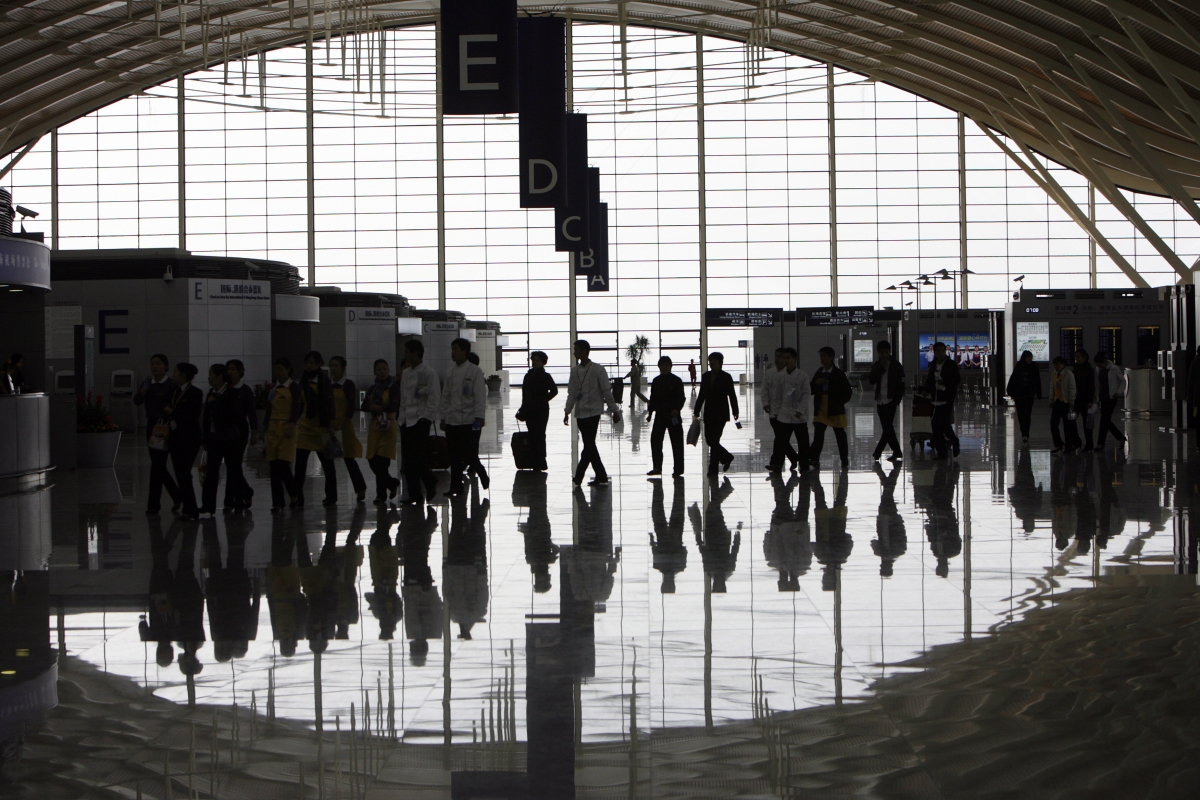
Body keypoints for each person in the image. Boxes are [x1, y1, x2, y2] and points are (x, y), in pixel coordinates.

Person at [563, 339, 621, 487]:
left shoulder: (598, 370)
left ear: (584, 351)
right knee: (590, 445)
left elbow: (606, 391)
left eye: (576, 349)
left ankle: (579, 476)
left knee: (589, 445)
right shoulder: (574, 371)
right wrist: (567, 410)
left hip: (594, 412)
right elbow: (572, 393)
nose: (574, 352)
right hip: (581, 413)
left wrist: (614, 410)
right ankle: (601, 476)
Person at [440, 338, 488, 496]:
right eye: (452, 349)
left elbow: (480, 396)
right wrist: (443, 417)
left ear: (464, 352)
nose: (452, 352)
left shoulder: (475, 371)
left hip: (470, 420)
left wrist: (480, 417)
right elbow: (445, 396)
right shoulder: (450, 372)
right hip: (452, 420)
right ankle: (456, 486)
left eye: (455, 349)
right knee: (453, 455)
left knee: (469, 453)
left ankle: (481, 472)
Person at [134, 353, 181, 514]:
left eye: (158, 364)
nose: (154, 366)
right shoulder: (148, 383)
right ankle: (176, 496)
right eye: (152, 363)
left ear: (166, 366)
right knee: (158, 465)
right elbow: (137, 400)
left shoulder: (171, 384)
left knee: (157, 466)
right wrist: (144, 389)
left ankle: (154, 504)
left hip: (164, 427)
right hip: (151, 426)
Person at [291, 351, 337, 508]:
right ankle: (297, 498)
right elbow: (299, 404)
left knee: (328, 466)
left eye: (312, 362)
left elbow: (330, 404)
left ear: (318, 364)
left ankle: (331, 496)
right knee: (300, 466)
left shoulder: (324, 382)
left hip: (321, 428)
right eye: (307, 362)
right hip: (305, 427)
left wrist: (331, 425)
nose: (309, 365)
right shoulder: (303, 381)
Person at [199, 363, 245, 516]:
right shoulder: (211, 393)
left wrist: (215, 404)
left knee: (234, 471)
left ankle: (237, 501)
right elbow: (206, 418)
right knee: (211, 471)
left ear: (219, 377)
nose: (209, 377)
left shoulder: (231, 394)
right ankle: (208, 505)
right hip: (214, 438)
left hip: (230, 439)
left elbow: (230, 417)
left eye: (211, 374)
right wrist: (204, 438)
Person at [399, 342, 441, 505]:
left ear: (416, 354)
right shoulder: (406, 374)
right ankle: (414, 494)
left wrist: (427, 418)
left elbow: (434, 397)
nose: (405, 355)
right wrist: (401, 418)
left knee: (419, 457)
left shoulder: (429, 373)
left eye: (407, 352)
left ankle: (430, 481)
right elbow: (404, 398)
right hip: (406, 420)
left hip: (421, 420)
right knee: (408, 460)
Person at [163, 362, 204, 519]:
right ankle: (188, 506)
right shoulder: (173, 391)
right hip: (175, 437)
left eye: (175, 372)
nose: (173, 375)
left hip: (189, 438)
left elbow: (192, 415)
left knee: (184, 472)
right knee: (180, 473)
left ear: (183, 375)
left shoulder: (195, 393)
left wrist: (173, 412)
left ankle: (191, 508)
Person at [263, 358, 303, 511]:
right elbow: (268, 410)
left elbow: (297, 408)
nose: (278, 372)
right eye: (276, 369)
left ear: (288, 370)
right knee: (273, 467)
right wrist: (263, 430)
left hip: (287, 429)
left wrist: (292, 425)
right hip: (273, 430)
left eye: (281, 369)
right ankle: (277, 503)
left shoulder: (294, 387)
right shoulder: (273, 390)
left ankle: (293, 494)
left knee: (283, 465)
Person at [327, 356, 368, 503]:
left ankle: (360, 488)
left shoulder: (348, 384)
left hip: (345, 425)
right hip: (330, 426)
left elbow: (351, 406)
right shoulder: (327, 385)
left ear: (343, 368)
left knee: (349, 458)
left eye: (336, 365)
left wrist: (341, 423)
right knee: (329, 461)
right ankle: (331, 495)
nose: (333, 368)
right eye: (331, 365)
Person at [364, 358, 403, 504]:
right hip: (375, 428)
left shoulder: (393, 388)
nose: (382, 372)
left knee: (382, 462)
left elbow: (394, 405)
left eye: (385, 369)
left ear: (389, 371)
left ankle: (380, 495)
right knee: (372, 461)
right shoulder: (372, 389)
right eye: (379, 369)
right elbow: (364, 405)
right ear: (374, 372)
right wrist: (373, 408)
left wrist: (379, 407)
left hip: (388, 427)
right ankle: (391, 483)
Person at [694, 351, 739, 475]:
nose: (711, 363)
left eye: (714, 361)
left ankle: (713, 468)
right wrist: (697, 410)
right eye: (710, 361)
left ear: (720, 362)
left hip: (721, 413)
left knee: (714, 440)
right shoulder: (706, 376)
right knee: (710, 440)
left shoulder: (726, 377)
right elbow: (702, 394)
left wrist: (735, 411)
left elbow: (732, 395)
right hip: (708, 412)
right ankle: (726, 457)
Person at [809, 346, 851, 468]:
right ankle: (814, 458)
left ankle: (844, 460)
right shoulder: (819, 372)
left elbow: (847, 392)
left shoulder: (838, 374)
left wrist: (839, 402)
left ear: (831, 358)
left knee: (840, 435)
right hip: (821, 406)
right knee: (818, 435)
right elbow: (811, 389)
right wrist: (817, 384)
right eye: (821, 356)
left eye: (824, 356)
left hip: (835, 408)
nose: (822, 359)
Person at [223, 359, 257, 511]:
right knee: (231, 465)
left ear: (240, 372)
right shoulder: (224, 389)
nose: (230, 372)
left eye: (233, 369)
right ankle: (242, 493)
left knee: (234, 464)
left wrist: (255, 432)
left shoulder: (245, 390)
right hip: (225, 430)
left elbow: (252, 412)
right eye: (228, 369)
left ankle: (236, 499)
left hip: (240, 430)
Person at [516, 350, 557, 470]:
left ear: (543, 362)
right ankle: (535, 459)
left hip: (541, 410)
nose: (535, 362)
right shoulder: (528, 375)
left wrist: (543, 400)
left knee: (539, 434)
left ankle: (541, 459)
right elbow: (525, 393)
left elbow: (554, 391)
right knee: (533, 434)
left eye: (538, 360)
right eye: (533, 360)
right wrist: (524, 406)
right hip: (529, 409)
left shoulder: (546, 376)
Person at [646, 355, 686, 477]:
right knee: (655, 441)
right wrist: (650, 412)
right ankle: (657, 467)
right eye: (662, 365)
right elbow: (653, 398)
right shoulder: (656, 381)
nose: (664, 367)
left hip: (673, 415)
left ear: (670, 366)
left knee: (677, 443)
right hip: (660, 415)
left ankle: (678, 469)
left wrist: (677, 409)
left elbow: (681, 397)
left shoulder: (676, 380)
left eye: (666, 365)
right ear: (659, 366)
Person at [867, 340, 905, 462]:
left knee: (887, 426)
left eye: (886, 352)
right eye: (881, 353)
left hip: (891, 400)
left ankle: (878, 452)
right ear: (878, 353)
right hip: (880, 400)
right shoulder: (876, 366)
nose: (884, 355)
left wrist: (897, 399)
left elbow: (901, 384)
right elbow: (872, 380)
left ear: (889, 352)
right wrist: (880, 369)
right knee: (887, 427)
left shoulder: (896, 365)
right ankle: (896, 451)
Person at [775, 348, 811, 473]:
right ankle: (778, 465)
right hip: (784, 414)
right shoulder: (781, 376)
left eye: (788, 358)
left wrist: (801, 409)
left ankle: (804, 465)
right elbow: (778, 395)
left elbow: (806, 394)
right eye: (784, 358)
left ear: (795, 359)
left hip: (799, 415)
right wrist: (777, 410)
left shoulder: (802, 376)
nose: (785, 360)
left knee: (803, 443)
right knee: (781, 441)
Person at [762, 348, 798, 473]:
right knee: (780, 438)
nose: (777, 359)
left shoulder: (788, 374)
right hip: (773, 411)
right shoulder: (770, 372)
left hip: (785, 412)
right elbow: (765, 389)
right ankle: (793, 457)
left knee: (779, 439)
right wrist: (765, 403)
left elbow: (792, 392)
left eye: (781, 357)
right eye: (776, 356)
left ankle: (776, 463)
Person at [924, 341, 961, 460]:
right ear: (934, 352)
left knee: (945, 425)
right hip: (935, 398)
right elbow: (930, 380)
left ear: (945, 351)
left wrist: (944, 381)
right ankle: (942, 453)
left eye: (942, 351)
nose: (940, 353)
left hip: (946, 398)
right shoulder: (933, 364)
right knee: (935, 427)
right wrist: (926, 390)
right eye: (938, 351)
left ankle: (954, 441)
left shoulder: (951, 364)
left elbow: (956, 379)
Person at [464, 351, 490, 482]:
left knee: (472, 445)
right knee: (467, 445)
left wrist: (480, 417)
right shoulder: (456, 373)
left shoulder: (476, 374)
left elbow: (480, 398)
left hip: (474, 418)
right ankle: (471, 465)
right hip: (461, 417)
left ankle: (477, 468)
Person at [1006, 350, 1042, 444]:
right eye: (1028, 357)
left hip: (1029, 395)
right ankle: (1024, 433)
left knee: (1027, 415)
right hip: (1019, 395)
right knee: (1021, 415)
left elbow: (1037, 380)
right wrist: (1011, 391)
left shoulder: (1034, 366)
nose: (1030, 359)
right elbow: (1013, 378)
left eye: (1031, 357)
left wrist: (1039, 393)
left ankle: (1026, 434)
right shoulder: (1019, 366)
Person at [1094, 352, 1127, 450]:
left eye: (1099, 364)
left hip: (1111, 398)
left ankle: (1101, 443)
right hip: (1103, 397)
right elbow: (1099, 384)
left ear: (1104, 362)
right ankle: (1120, 438)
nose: (1098, 367)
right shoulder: (1098, 369)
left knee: (1104, 420)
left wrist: (1119, 392)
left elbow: (1123, 381)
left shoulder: (1114, 369)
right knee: (1106, 420)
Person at [1048, 355, 1079, 455]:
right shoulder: (1054, 374)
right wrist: (1051, 400)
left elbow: (1072, 388)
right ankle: (1058, 444)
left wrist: (1071, 401)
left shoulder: (1069, 374)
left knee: (1067, 426)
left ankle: (1069, 446)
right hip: (1057, 401)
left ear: (1063, 365)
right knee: (1053, 424)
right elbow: (1051, 388)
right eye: (1054, 365)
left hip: (1065, 402)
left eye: (1058, 365)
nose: (1056, 367)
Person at [1073, 348, 1097, 453]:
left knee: (1086, 424)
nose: (1076, 358)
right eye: (1076, 356)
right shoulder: (1076, 368)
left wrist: (1090, 400)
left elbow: (1091, 386)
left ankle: (1089, 444)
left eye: (1078, 356)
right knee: (1071, 421)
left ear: (1084, 357)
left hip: (1085, 400)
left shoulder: (1089, 369)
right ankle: (1076, 442)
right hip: (1076, 400)